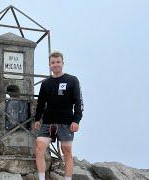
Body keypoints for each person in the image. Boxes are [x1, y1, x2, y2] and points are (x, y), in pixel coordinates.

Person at [34, 51, 84, 180]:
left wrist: (76, 120)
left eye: (58, 62)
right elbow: (40, 103)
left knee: (66, 151)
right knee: (39, 148)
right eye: (53, 62)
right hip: (48, 121)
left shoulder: (72, 80)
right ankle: (41, 178)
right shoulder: (45, 83)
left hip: (66, 122)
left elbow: (78, 102)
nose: (55, 65)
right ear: (49, 65)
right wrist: (37, 119)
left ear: (62, 63)